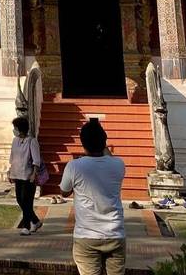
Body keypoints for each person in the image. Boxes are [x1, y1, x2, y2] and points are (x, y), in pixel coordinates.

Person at [60, 118, 126, 275]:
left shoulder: (75, 166)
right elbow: (107, 157)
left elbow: (64, 191)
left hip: (86, 236)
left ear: (82, 143)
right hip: (115, 234)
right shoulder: (118, 164)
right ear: (104, 142)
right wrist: (102, 143)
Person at [9, 116, 44, 235]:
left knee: (27, 201)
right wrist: (10, 171)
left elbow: (36, 160)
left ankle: (26, 227)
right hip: (17, 174)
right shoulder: (15, 141)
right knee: (20, 199)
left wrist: (34, 173)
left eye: (16, 128)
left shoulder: (32, 141)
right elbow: (13, 157)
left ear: (21, 129)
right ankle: (35, 221)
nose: (14, 130)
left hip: (28, 176)